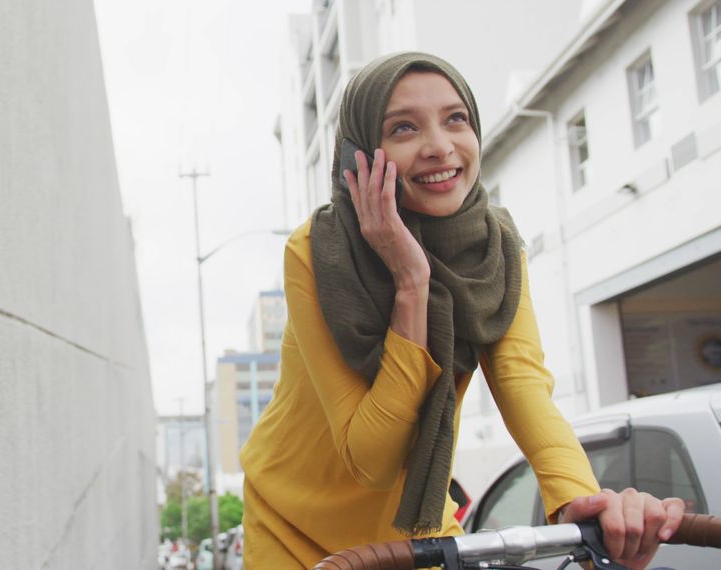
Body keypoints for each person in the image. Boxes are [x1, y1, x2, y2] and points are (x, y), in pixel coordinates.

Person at [239, 52, 684, 569]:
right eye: (404, 128)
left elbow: (522, 386)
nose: (440, 147)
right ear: (360, 156)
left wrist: (580, 506)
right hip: (291, 527)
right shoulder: (317, 251)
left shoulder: (497, 250)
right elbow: (372, 461)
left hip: (419, 525)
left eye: (457, 119)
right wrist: (411, 283)